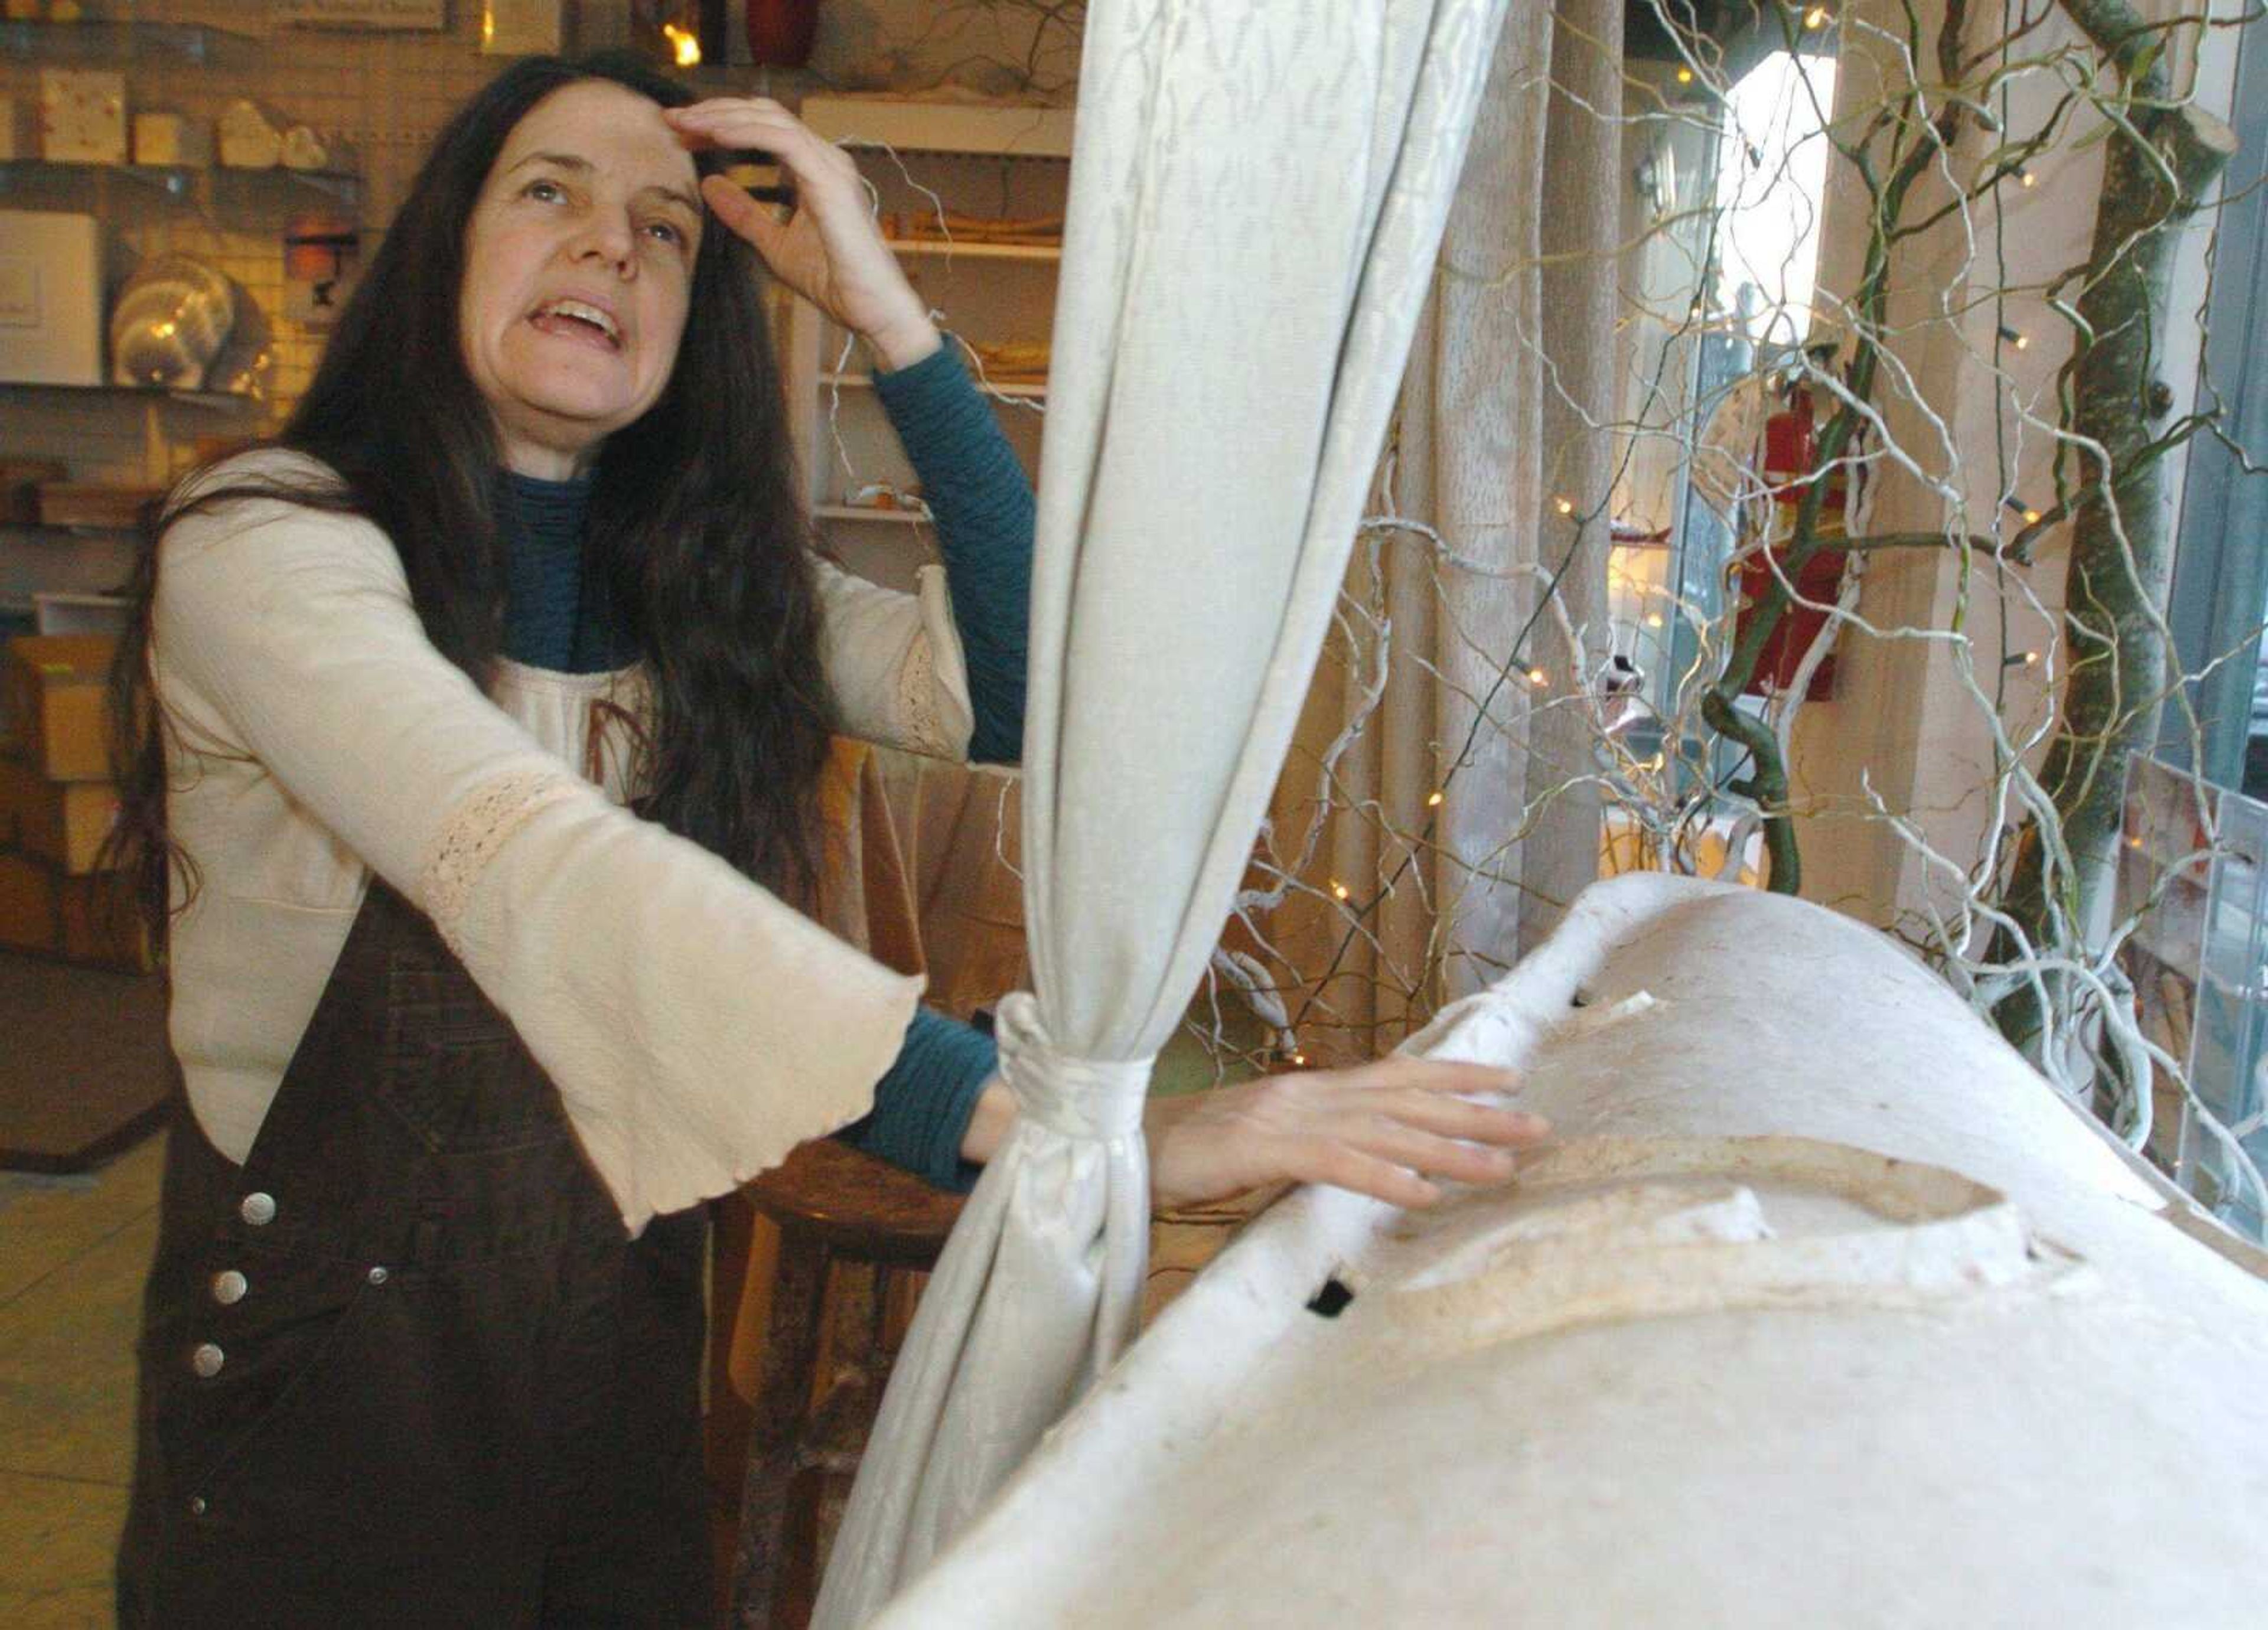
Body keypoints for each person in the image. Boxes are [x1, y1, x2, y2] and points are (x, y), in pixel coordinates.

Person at [109, 51, 1547, 1626]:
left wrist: (892, 320)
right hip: (328, 1411)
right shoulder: (269, 543)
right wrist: (1047, 1125)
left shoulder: (704, 591)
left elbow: (1026, 700)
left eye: (668, 231)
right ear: (446, 243)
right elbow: (528, 863)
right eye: (550, 193)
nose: (611, 245)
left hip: (610, 1376)